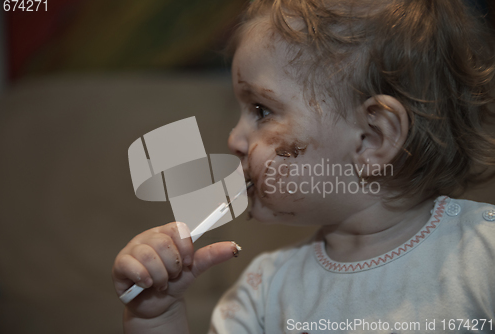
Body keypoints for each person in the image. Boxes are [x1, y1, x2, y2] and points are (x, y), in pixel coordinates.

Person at [112, 0, 495, 333]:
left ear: (371, 138)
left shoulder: (484, 254)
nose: (233, 139)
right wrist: (155, 318)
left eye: (262, 110)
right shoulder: (265, 291)